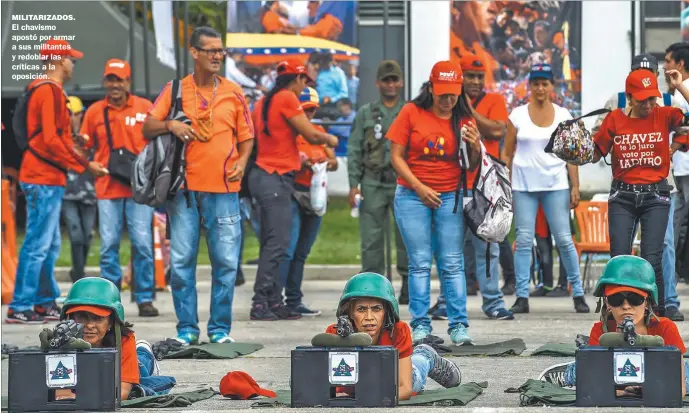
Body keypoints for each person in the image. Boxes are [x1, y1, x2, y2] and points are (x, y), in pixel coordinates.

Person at [143, 26, 254, 344]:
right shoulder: (175, 88)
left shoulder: (233, 91)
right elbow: (148, 127)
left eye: (221, 51)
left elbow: (247, 138)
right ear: (194, 53)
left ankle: (220, 330)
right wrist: (171, 124)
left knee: (226, 264)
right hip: (183, 193)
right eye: (211, 51)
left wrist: (242, 163)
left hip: (225, 190)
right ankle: (187, 330)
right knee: (180, 263)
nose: (218, 56)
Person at [6, 40, 108, 324]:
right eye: (70, 59)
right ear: (60, 61)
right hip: (42, 178)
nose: (73, 64)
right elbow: (50, 140)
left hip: (46, 177)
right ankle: (21, 305)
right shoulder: (49, 91)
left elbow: (51, 137)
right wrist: (85, 165)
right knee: (38, 244)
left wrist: (76, 147)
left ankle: (42, 301)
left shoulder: (46, 90)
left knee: (48, 244)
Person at [388, 60, 483, 345]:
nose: (448, 99)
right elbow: (396, 156)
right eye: (442, 93)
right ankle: (419, 325)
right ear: (431, 88)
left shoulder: (465, 119)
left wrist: (475, 145)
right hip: (411, 195)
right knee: (419, 262)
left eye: (453, 93)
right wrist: (418, 187)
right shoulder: (410, 112)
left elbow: (471, 165)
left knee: (452, 263)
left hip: (450, 197)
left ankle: (458, 326)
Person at [585, 69, 689, 317]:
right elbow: (594, 154)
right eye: (642, 99)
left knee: (652, 259)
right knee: (619, 258)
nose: (648, 104)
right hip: (622, 196)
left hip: (656, 196)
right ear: (629, 97)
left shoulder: (665, 114)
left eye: (652, 98)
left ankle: (658, 316)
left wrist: (681, 87)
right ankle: (616, 314)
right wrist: (575, 146)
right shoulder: (614, 120)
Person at [249, 59, 338, 321]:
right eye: (304, 83)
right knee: (277, 244)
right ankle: (261, 302)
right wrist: (329, 138)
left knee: (273, 241)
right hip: (275, 177)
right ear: (297, 79)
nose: (303, 89)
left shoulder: (263, 101)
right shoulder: (287, 97)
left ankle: (275, 301)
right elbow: (310, 135)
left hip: (263, 176)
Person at [427, 54, 514, 321]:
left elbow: (498, 130)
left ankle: (493, 302)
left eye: (479, 77)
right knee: (449, 247)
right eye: (470, 77)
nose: (475, 82)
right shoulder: (446, 102)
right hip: (453, 183)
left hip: (485, 186)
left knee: (488, 245)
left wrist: (467, 111)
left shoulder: (493, 101)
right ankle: (445, 302)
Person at [501, 63, 589, 314]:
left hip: (555, 184)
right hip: (523, 185)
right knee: (524, 239)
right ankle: (521, 296)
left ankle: (578, 294)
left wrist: (576, 186)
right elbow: (507, 153)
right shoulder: (517, 115)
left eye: (545, 83)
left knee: (563, 239)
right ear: (530, 86)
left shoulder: (563, 115)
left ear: (552, 86)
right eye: (536, 83)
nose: (540, 88)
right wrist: (503, 184)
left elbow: (572, 154)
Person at [537, 255, 688, 397]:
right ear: (607, 303)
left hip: (658, 375)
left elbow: (679, 390)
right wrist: (621, 392)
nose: (626, 306)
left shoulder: (665, 328)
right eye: (616, 299)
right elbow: (594, 385)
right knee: (583, 373)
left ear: (647, 302)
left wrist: (648, 390)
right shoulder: (601, 330)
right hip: (609, 373)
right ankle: (572, 371)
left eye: (635, 299)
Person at [80, 59, 159, 317]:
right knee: (108, 246)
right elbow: (83, 146)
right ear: (105, 82)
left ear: (128, 82)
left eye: (120, 80)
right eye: (111, 79)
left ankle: (145, 298)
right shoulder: (94, 112)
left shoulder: (145, 107)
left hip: (139, 189)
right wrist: (87, 161)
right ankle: (111, 300)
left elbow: (159, 144)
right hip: (107, 187)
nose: (115, 85)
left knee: (143, 244)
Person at [326, 272, 462, 399]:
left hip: (394, 379)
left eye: (376, 309)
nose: (369, 317)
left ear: (386, 311)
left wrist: (365, 396)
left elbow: (405, 389)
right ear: (350, 313)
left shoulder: (398, 330)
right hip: (365, 384)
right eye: (361, 309)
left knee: (416, 375)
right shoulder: (334, 334)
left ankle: (425, 355)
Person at [347, 60, 409, 304]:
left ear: (401, 82)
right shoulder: (366, 113)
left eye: (395, 79)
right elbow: (354, 149)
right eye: (386, 80)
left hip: (401, 183)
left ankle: (408, 284)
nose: (391, 84)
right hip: (372, 183)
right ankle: (374, 287)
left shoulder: (408, 112)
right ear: (378, 83)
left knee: (406, 236)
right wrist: (354, 184)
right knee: (371, 239)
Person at [54, 277, 176, 400]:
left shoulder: (124, 340)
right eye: (82, 317)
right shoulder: (60, 340)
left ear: (111, 322)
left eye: (98, 318)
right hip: (94, 385)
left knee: (142, 379)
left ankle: (144, 350)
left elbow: (122, 392)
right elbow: (62, 395)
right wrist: (56, 351)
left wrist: (79, 398)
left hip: (127, 372)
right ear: (70, 318)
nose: (90, 325)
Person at [279, 87, 338, 316]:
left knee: (302, 250)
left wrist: (324, 164)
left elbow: (334, 161)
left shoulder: (318, 131)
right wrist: (301, 162)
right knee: (289, 248)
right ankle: (278, 299)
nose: (310, 114)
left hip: (315, 193)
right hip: (294, 191)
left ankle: (294, 299)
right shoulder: (290, 133)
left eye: (312, 110)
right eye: (305, 110)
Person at [663, 43, 689, 321]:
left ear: (680, 63)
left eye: (669, 60)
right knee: (677, 226)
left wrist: (673, 147)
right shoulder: (673, 93)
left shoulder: (681, 93)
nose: (665, 65)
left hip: (683, 166)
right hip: (677, 170)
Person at [63, 96, 97, 283]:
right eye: (71, 114)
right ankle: (78, 274)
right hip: (68, 194)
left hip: (90, 193)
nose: (74, 118)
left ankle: (78, 269)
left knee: (87, 236)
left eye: (78, 114)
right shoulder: (61, 138)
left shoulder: (89, 137)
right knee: (76, 236)